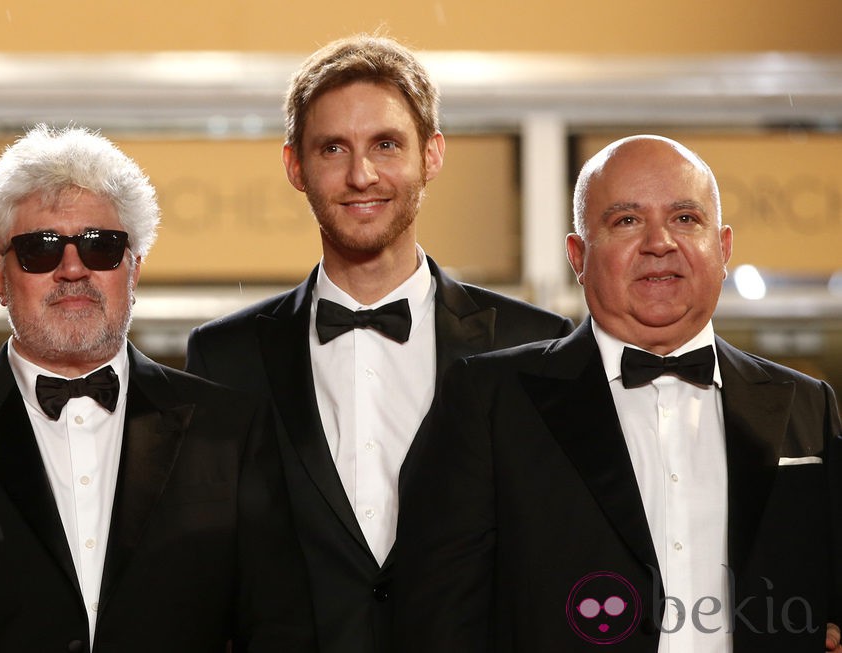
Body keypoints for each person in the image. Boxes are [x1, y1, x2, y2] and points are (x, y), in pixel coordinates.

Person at [182, 35, 573, 653]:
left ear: (432, 155)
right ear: (294, 167)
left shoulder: (536, 345)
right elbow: (200, 570)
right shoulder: (223, 357)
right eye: (333, 148)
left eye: (386, 145)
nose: (361, 174)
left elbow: (558, 554)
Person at [0, 125, 315, 652]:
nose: (73, 269)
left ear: (134, 268)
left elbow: (279, 633)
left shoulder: (232, 432)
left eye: (102, 247)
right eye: (39, 249)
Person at [394, 134, 842, 652]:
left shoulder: (807, 405)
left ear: (723, 249)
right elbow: (438, 621)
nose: (660, 242)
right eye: (627, 221)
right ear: (577, 255)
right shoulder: (487, 400)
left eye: (685, 219)